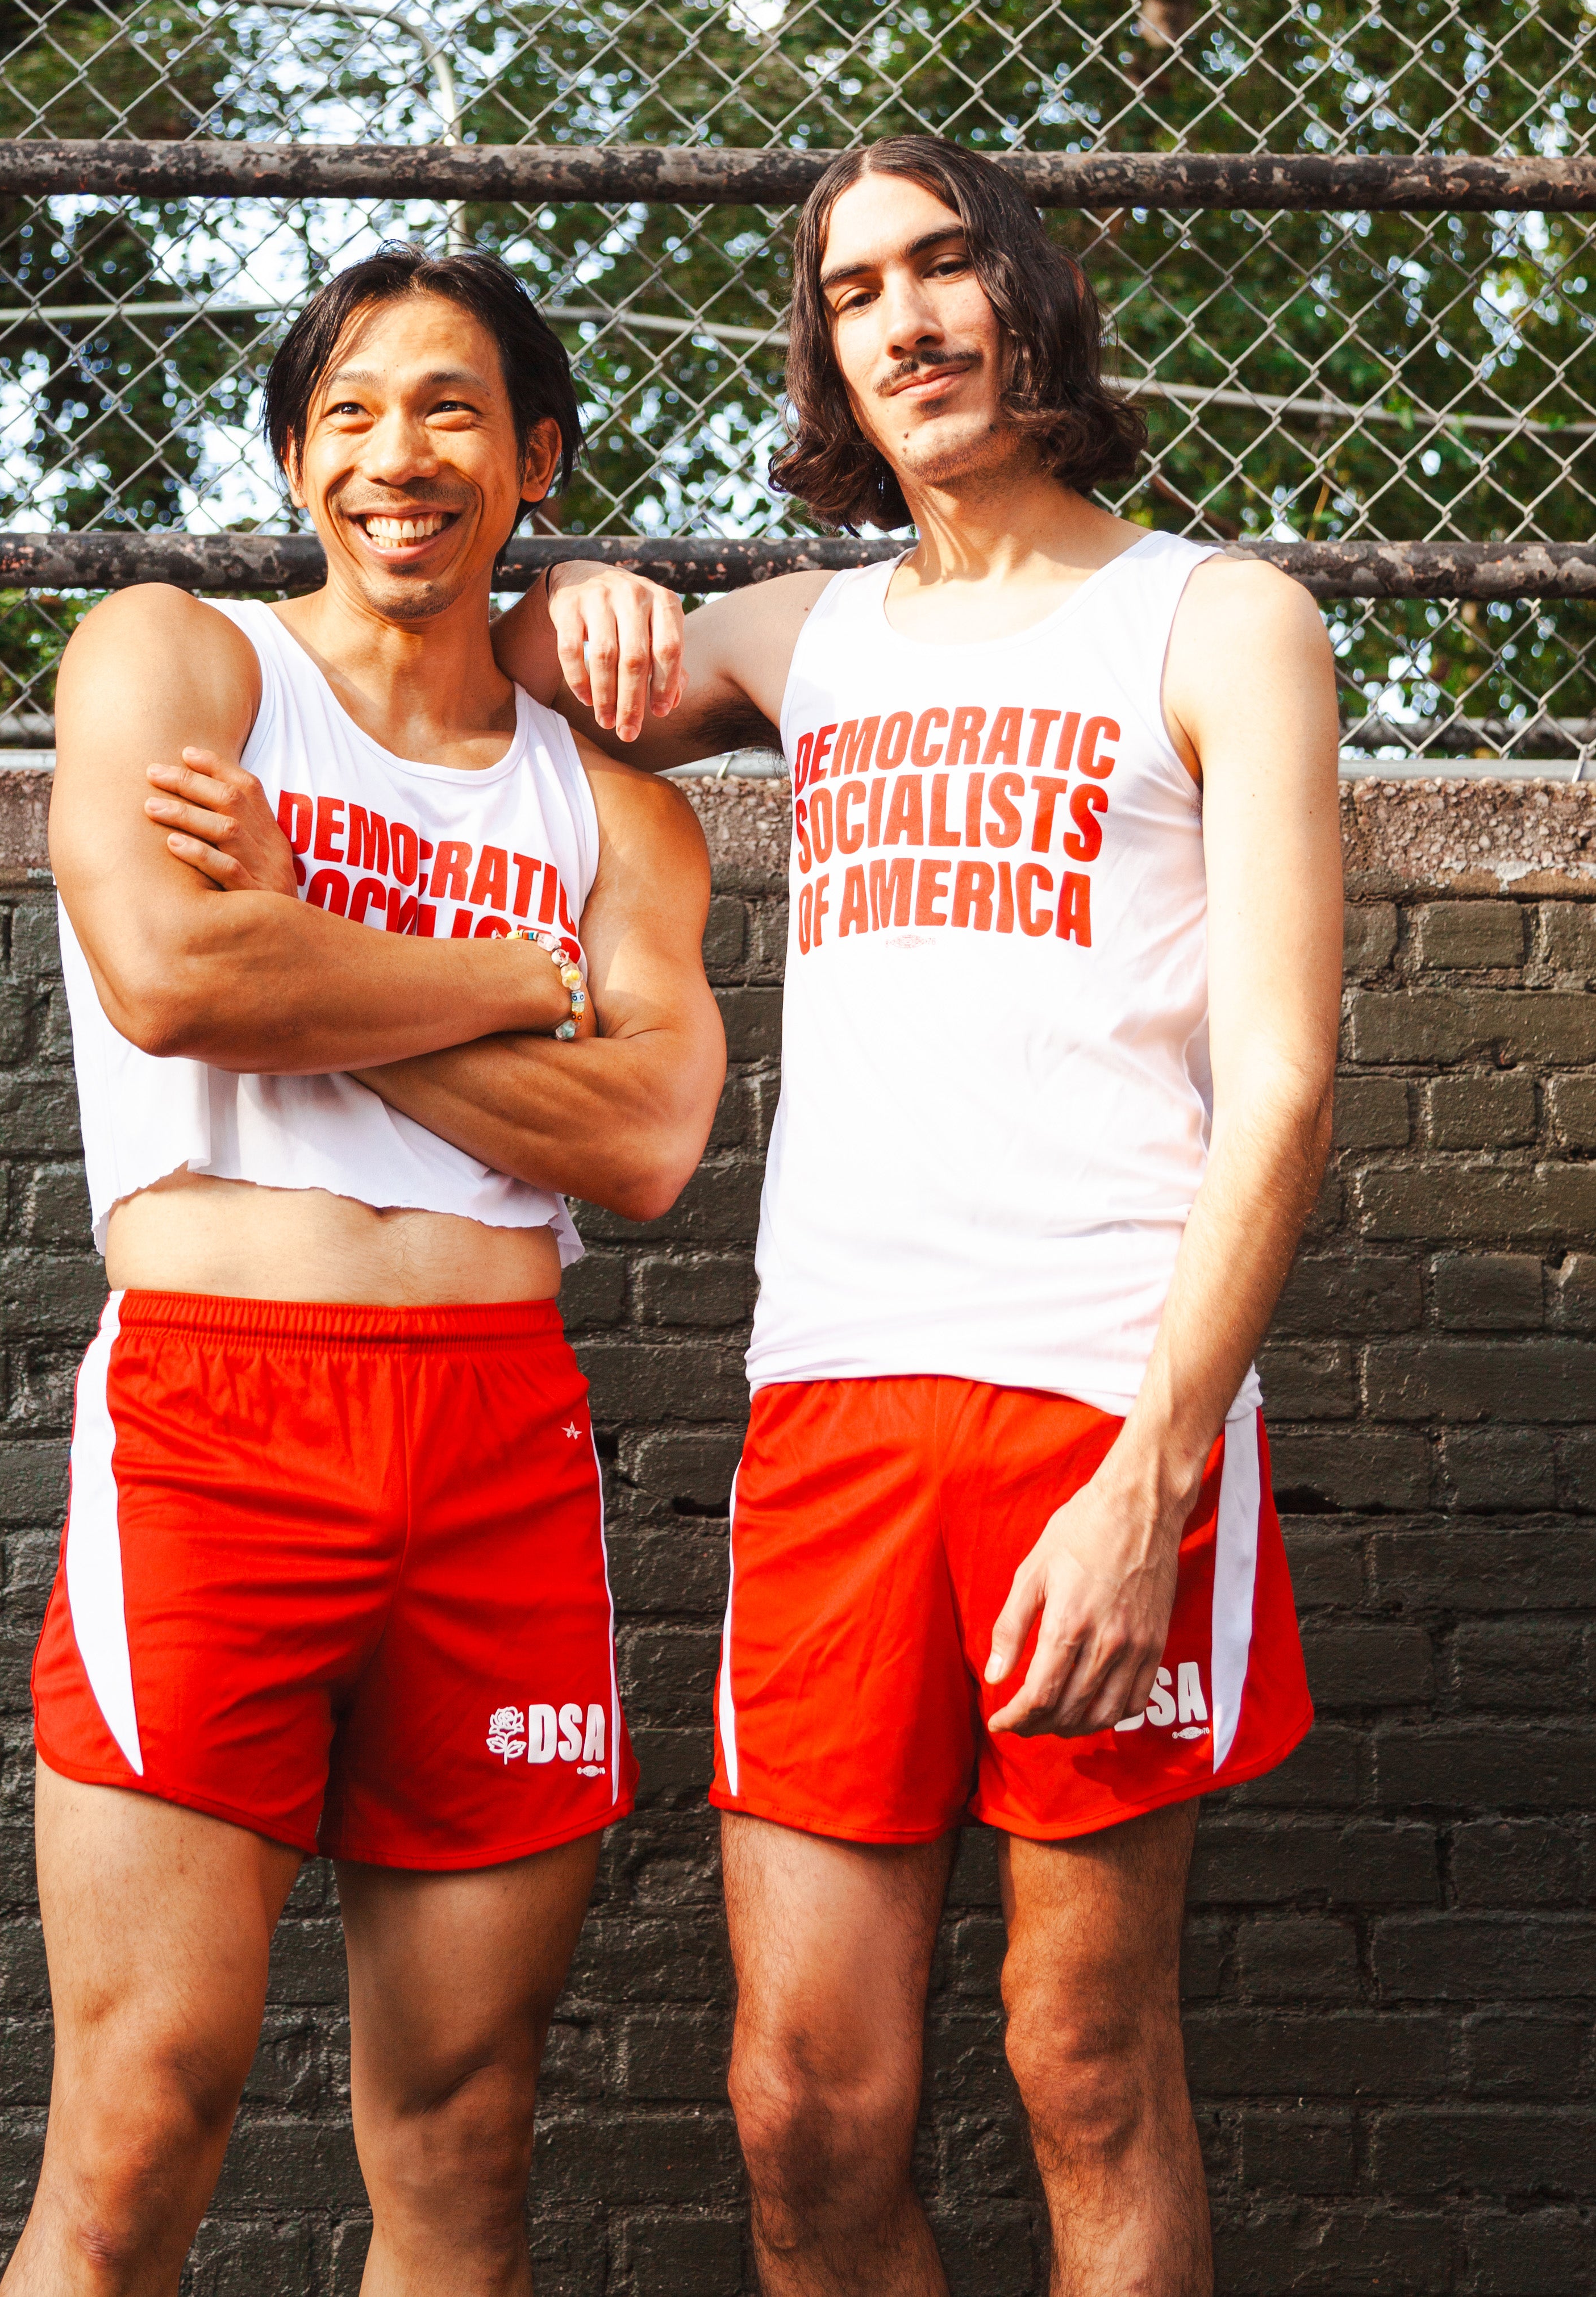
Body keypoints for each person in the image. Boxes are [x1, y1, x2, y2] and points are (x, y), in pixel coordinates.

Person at [491, 136, 1343, 2296]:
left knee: (1081, 2062)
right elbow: (518, 670)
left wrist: (1152, 1481)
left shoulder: (1218, 619)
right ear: (828, 353)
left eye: (947, 262)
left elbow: (1287, 1087)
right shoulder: (812, 631)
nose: (910, 314)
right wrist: (563, 598)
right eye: (857, 286)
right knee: (802, 2096)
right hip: (833, 1412)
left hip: (1098, 1404)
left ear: (1029, 296)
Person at [9, 245, 724, 2295]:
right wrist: (516, 978)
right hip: (215, 1429)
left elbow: (651, 1135)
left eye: (446, 411)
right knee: (146, 2106)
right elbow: (173, 970)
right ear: (297, 464)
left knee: (466, 2133)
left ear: (534, 460)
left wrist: (313, 953)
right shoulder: (182, 659)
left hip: (495, 1446)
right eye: (346, 413)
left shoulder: (613, 805)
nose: (393, 456)